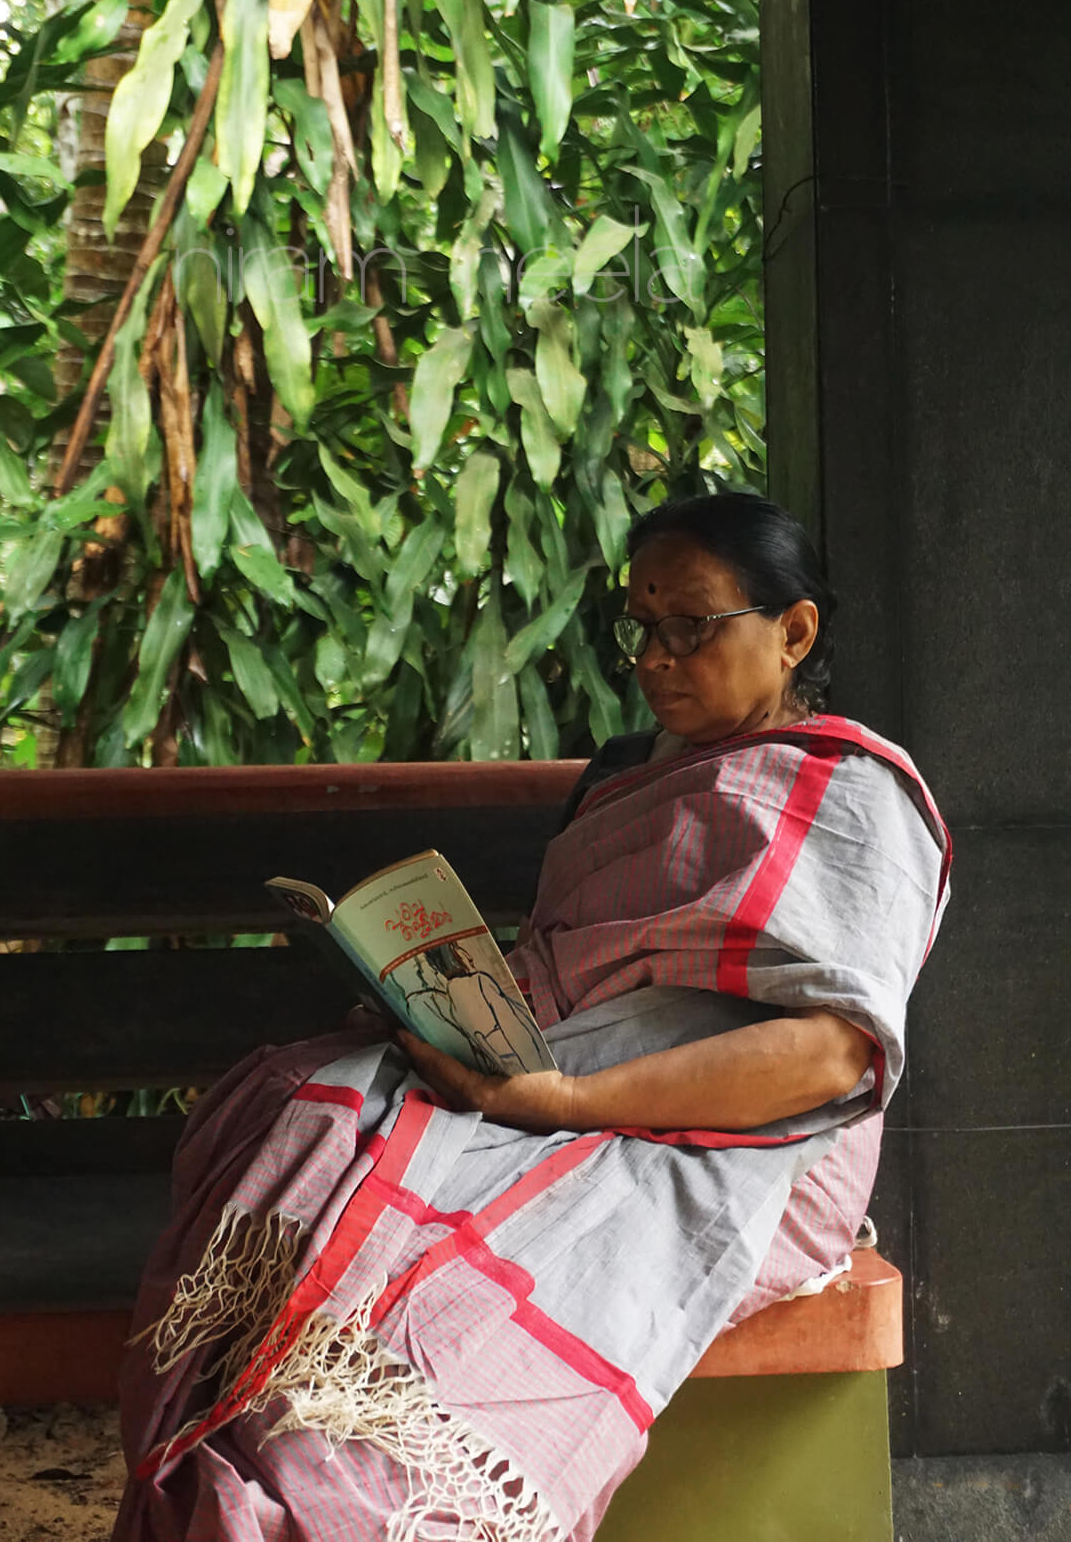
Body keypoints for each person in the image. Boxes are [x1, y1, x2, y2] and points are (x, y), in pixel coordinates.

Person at [113, 492, 951, 1542]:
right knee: (306, 1102)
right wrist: (438, 1006)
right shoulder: (626, 777)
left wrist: (565, 1100)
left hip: (743, 1131)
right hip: (548, 1074)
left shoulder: (854, 794)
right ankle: (236, 1453)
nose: (654, 657)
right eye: (642, 627)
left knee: (422, 1332)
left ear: (793, 633)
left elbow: (831, 1054)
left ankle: (343, 1498)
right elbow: (576, 963)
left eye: (691, 626)